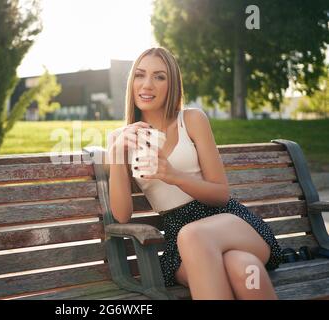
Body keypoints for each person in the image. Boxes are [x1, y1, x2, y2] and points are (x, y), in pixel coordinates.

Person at [106, 47, 283, 300]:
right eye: (140, 75)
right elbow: (122, 216)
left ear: (172, 84)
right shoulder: (120, 139)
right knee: (243, 268)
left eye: (159, 77)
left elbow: (221, 195)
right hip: (179, 238)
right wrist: (115, 155)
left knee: (195, 234)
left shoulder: (191, 120)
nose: (147, 85)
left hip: (227, 222)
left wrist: (173, 174)